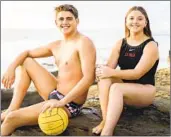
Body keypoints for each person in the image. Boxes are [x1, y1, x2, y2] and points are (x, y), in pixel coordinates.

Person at [1, 4, 96, 136]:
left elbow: (89, 78)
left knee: (11, 120)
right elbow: (27, 53)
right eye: (61, 19)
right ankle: (12, 108)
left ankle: (10, 116)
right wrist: (10, 68)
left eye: (69, 18)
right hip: (55, 92)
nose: (65, 22)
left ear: (77, 21)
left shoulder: (84, 42)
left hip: (69, 103)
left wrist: (62, 102)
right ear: (56, 22)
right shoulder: (56, 45)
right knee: (26, 62)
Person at [92, 6, 159, 136]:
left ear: (145, 23)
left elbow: (137, 73)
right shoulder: (120, 43)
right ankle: (105, 120)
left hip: (145, 90)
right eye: (131, 18)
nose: (135, 22)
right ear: (126, 22)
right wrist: (99, 68)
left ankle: (107, 131)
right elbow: (109, 68)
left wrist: (110, 72)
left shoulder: (151, 45)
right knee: (104, 78)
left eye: (140, 19)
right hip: (125, 89)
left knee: (116, 87)